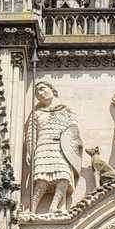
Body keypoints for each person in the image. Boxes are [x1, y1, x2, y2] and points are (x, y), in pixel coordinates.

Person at [24, 80, 83, 215]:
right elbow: (31, 134)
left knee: (63, 177)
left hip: (62, 148)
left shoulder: (66, 110)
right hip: (43, 147)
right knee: (42, 179)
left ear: (52, 89)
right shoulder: (37, 113)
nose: (40, 93)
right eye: (37, 92)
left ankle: (54, 206)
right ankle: (32, 209)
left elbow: (73, 131)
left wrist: (75, 145)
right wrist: (29, 150)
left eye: (43, 88)